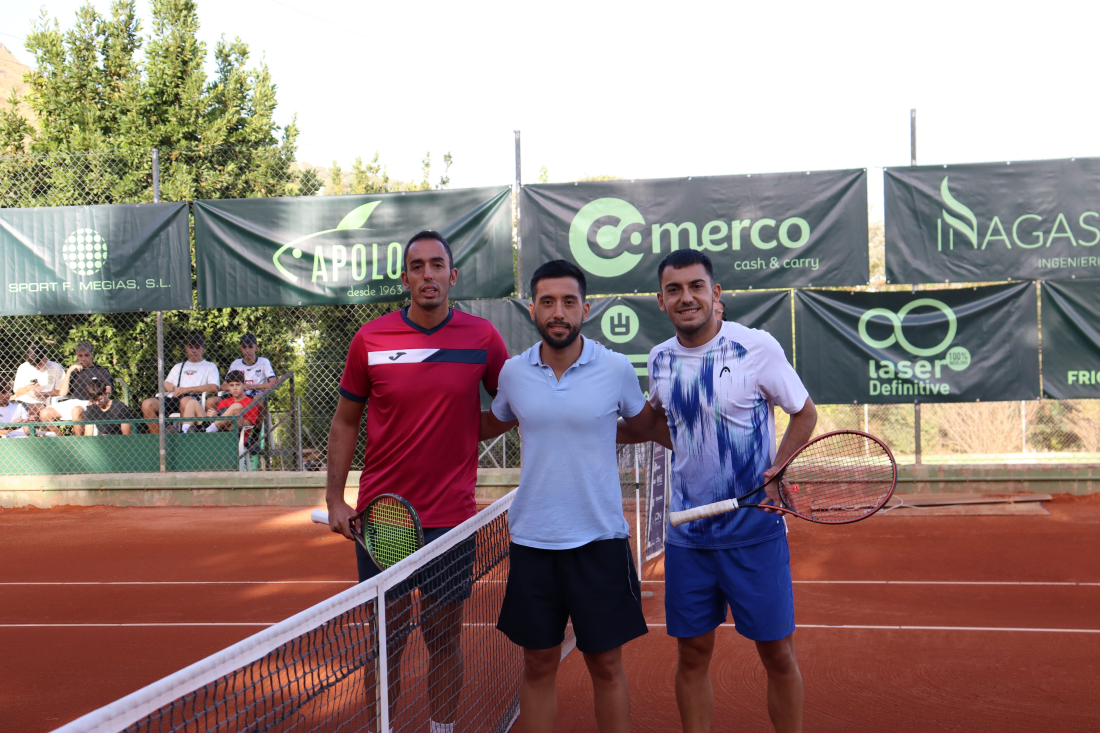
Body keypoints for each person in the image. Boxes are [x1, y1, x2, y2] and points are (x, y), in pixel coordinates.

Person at [618, 249, 817, 733]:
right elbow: (662, 425)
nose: (686, 297)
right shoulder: (660, 358)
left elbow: (804, 412)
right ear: (661, 301)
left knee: (777, 653)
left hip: (755, 533)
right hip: (689, 539)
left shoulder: (756, 347)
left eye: (696, 287)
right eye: (674, 290)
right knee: (692, 655)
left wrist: (776, 471)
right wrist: (586, 424)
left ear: (715, 293)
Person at [324, 230, 508, 733]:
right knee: (385, 641)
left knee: (444, 639)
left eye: (437, 265)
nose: (428, 274)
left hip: (452, 522)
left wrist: (465, 425)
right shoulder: (371, 339)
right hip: (383, 519)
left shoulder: (483, 338)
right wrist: (335, 499)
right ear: (405, 278)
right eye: (418, 266)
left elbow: (512, 406)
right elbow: (345, 422)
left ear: (453, 275)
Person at [481, 260, 653, 733]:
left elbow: (643, 425)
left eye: (569, 302)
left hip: (600, 541)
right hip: (533, 543)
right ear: (532, 309)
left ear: (585, 309)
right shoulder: (513, 373)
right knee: (538, 664)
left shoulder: (616, 368)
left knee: (607, 665)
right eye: (548, 301)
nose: (558, 311)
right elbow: (491, 422)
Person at [141, 332, 220, 434]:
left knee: (185, 400)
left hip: (194, 398)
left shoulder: (210, 366)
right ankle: (159, 439)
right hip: (174, 397)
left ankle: (184, 436)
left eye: (197, 347)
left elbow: (214, 387)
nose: (194, 351)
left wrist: (186, 389)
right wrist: (169, 385)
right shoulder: (178, 366)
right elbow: (165, 384)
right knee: (147, 404)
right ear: (186, 348)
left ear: (202, 349)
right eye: (191, 347)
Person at [53, 341, 115, 436]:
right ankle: (62, 441)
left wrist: (98, 399)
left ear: (92, 355)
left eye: (86, 355)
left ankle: (79, 441)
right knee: (45, 413)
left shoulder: (101, 370)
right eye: (80, 356)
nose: (83, 358)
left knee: (76, 410)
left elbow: (108, 388)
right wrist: (69, 371)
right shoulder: (74, 372)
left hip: (90, 402)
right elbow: (62, 393)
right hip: (73, 401)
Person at [184, 370, 260, 433]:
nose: (235, 388)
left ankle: (207, 431)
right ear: (228, 387)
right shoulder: (223, 401)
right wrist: (214, 417)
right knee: (192, 403)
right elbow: (217, 423)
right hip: (216, 429)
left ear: (244, 385)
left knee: (237, 406)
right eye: (231, 385)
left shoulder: (251, 403)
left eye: (238, 385)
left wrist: (220, 419)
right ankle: (185, 432)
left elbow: (247, 424)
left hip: (233, 433)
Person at [12, 344, 64, 423]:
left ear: (45, 357)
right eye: (33, 365)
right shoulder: (23, 367)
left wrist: (44, 393)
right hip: (21, 401)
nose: (36, 367)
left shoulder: (56, 368)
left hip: (41, 402)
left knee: (33, 408)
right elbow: (17, 392)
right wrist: (27, 388)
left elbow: (61, 391)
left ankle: (30, 429)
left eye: (39, 364)